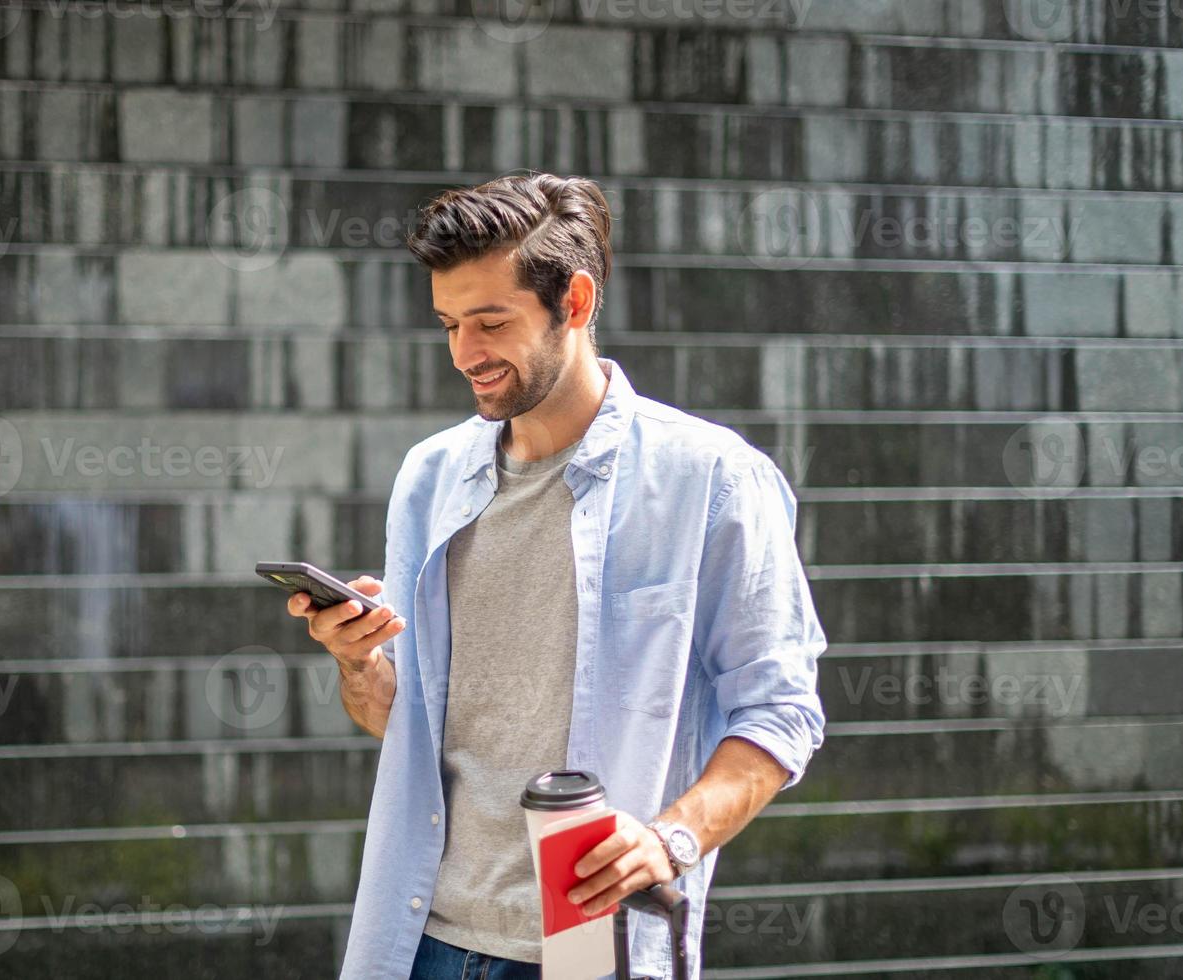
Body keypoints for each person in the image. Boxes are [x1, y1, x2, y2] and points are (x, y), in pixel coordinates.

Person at [284, 172, 827, 980]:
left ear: (573, 302)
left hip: (584, 943)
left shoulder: (707, 479)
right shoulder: (428, 478)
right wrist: (358, 661)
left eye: (490, 322)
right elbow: (403, 725)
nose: (464, 353)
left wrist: (669, 839)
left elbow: (780, 713)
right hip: (419, 937)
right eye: (448, 324)